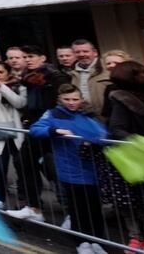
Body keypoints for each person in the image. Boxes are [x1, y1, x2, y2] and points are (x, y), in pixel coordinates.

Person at [30, 85, 108, 254]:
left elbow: (103, 133)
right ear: (60, 99)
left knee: (94, 208)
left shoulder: (88, 114)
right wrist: (55, 131)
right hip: (70, 168)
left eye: (75, 99)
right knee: (78, 208)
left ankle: (96, 241)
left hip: (91, 166)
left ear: (81, 99)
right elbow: (35, 129)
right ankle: (82, 242)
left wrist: (94, 140)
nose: (71, 103)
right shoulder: (53, 114)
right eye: (67, 99)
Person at [99, 61, 144, 253]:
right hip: (132, 155)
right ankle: (136, 237)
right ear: (132, 76)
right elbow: (117, 129)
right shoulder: (121, 99)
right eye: (141, 73)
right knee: (131, 201)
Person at [0, 61, 41, 219]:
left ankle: (27, 202)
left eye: (0, 72)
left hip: (16, 131)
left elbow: (19, 103)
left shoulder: (18, 86)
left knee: (22, 167)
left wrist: (1, 86)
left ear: (7, 73)